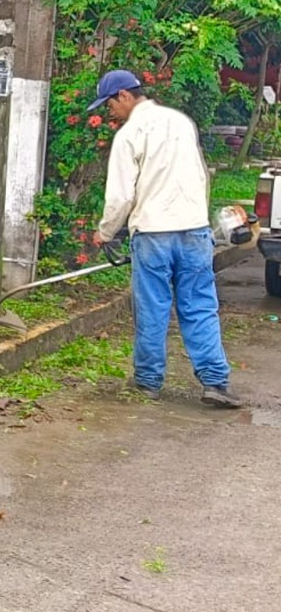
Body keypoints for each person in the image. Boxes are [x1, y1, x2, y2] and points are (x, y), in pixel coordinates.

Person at [90, 69, 241, 408]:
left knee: (152, 307)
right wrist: (199, 219)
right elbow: (201, 176)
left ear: (124, 96)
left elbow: (120, 197)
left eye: (110, 105)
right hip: (194, 230)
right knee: (200, 306)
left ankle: (148, 381)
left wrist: (105, 232)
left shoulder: (130, 135)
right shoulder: (180, 122)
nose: (111, 112)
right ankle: (215, 382)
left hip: (153, 234)